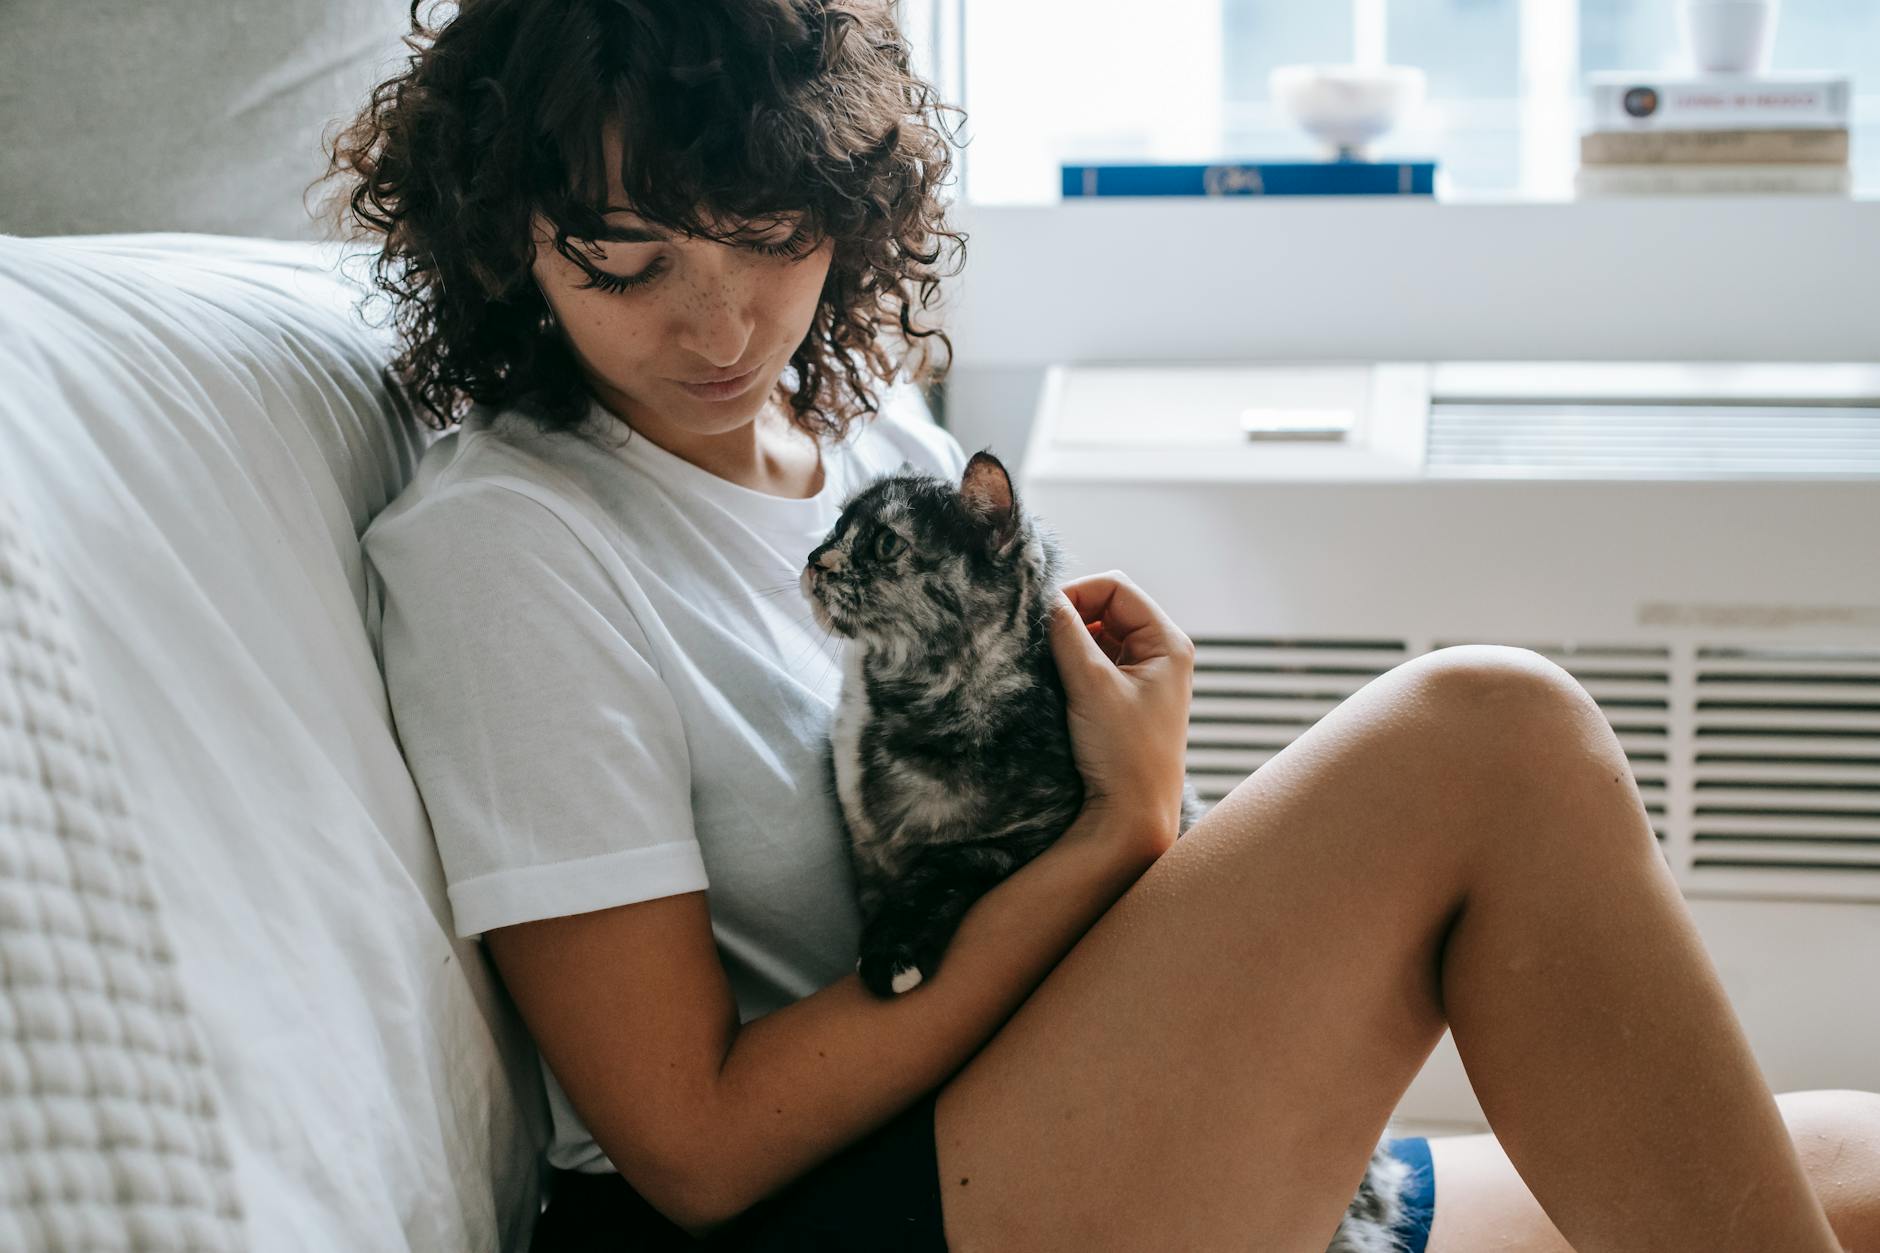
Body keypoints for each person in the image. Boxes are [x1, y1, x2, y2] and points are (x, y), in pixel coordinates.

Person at [320, 2, 1880, 1249]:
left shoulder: (880, 446)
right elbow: (696, 1147)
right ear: (510, 239)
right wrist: (1111, 835)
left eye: (771, 232)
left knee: (1858, 1164)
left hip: (1046, 1106)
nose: (722, 324)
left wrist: (1130, 795)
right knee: (1491, 734)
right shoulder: (509, 542)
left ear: (847, 199)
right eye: (630, 261)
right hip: (833, 1210)